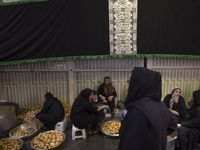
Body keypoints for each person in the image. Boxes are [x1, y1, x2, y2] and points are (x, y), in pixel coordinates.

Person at [118, 67, 177, 150]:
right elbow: (173, 123)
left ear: (140, 85)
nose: (127, 88)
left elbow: (128, 145)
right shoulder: (161, 105)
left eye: (129, 83)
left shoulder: (138, 112)